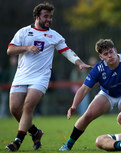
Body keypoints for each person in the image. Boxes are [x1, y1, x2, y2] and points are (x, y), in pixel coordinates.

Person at [5, 2, 91, 152]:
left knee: (28, 106)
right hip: (22, 75)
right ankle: (35, 132)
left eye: (51, 17)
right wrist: (27, 48)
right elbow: (10, 50)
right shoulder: (23, 32)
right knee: (14, 109)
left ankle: (17, 141)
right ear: (37, 16)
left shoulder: (54, 35)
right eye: (46, 16)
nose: (49, 19)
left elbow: (67, 51)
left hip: (41, 77)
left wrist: (79, 63)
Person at [59, 39, 121, 151]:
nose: (110, 56)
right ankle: (68, 145)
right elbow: (84, 89)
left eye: (111, 52)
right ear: (101, 57)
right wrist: (74, 106)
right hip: (107, 94)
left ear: (115, 50)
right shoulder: (98, 69)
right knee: (88, 115)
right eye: (105, 54)